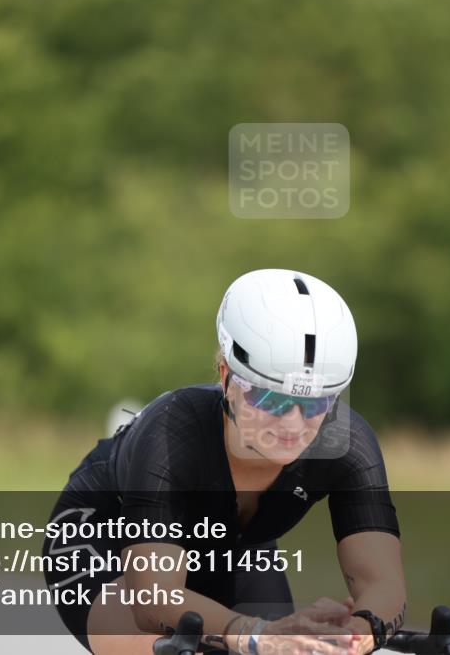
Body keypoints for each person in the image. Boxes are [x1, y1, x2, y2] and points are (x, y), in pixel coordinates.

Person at [43, 269, 406, 655]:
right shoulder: (172, 430)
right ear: (226, 377)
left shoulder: (347, 443)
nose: (294, 423)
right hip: (110, 541)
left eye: (317, 403)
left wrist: (357, 631)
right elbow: (152, 602)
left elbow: (382, 584)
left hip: (232, 546)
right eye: (273, 399)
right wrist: (255, 634)